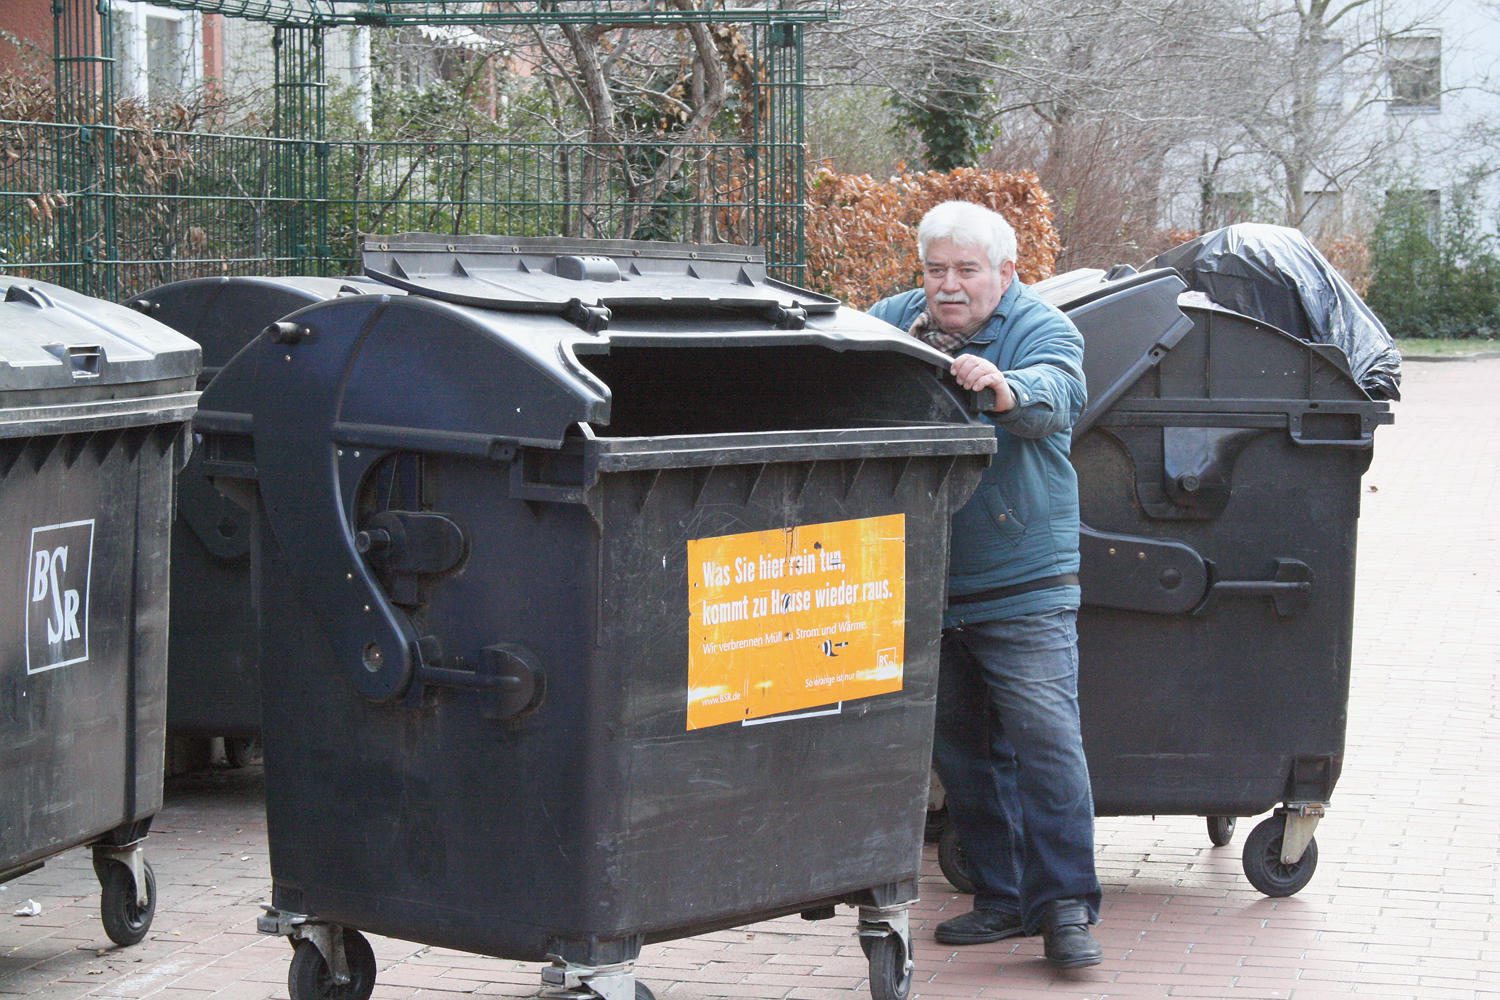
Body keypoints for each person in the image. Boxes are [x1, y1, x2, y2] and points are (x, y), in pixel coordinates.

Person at [868, 201, 1103, 969]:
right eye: (936, 270)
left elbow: (1057, 393)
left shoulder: (1041, 328)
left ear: (1005, 272)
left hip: (1022, 577)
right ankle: (1003, 899)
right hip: (928, 576)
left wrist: (1003, 387)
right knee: (964, 753)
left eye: (967, 271)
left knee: (1047, 745)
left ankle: (1065, 908)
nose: (948, 286)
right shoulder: (894, 321)